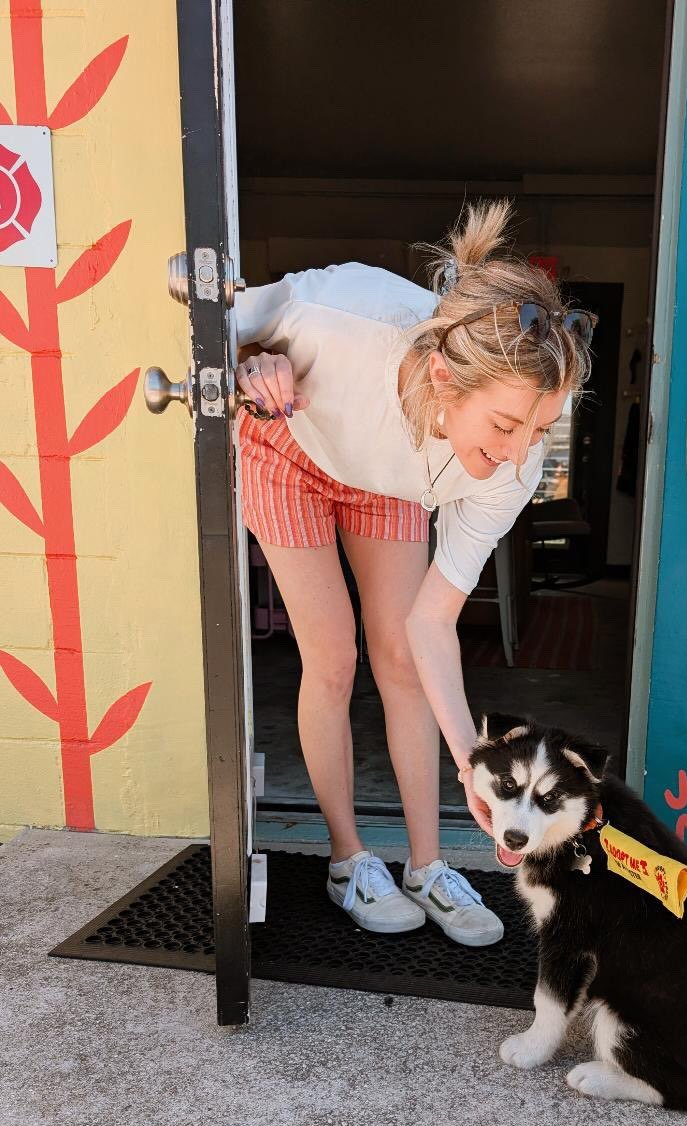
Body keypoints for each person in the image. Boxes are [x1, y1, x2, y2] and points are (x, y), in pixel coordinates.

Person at [233, 199, 595, 946]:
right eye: (505, 425)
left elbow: (433, 624)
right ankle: (347, 860)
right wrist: (251, 361)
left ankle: (428, 866)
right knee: (332, 657)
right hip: (287, 443)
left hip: (390, 474)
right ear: (444, 377)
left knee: (401, 654)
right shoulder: (340, 322)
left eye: (541, 427)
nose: (524, 452)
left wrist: (475, 761)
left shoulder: (508, 467)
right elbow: (222, 322)